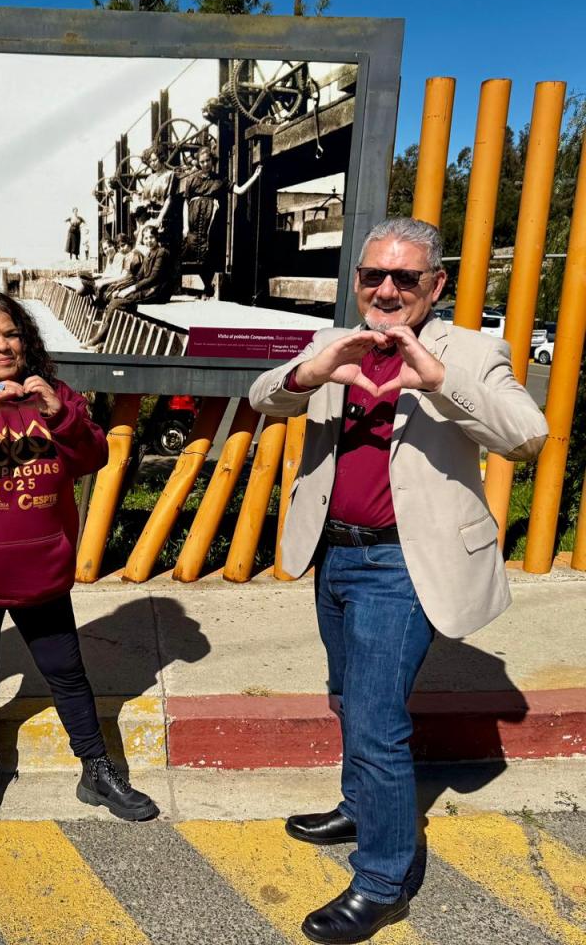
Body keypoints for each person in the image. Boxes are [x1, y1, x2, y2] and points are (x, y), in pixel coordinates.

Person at [248, 217, 548, 944]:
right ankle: (362, 805)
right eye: (372, 276)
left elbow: (526, 432)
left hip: (403, 563)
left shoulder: (471, 350)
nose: (385, 290)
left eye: (404, 278)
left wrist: (441, 382)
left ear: (434, 286)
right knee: (347, 696)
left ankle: (382, 880)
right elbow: (264, 397)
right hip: (335, 553)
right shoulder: (334, 342)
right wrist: (309, 374)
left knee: (378, 720)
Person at [0, 290, 158, 823]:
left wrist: (59, 413)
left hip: (39, 567)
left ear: (27, 340)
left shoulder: (55, 393)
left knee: (66, 670)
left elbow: (93, 455)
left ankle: (96, 769)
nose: (2, 346)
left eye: (11, 334)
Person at [178, 147, 256, 299]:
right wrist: (185, 226)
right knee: (192, 253)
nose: (205, 164)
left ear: (212, 161)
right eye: (202, 161)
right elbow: (185, 204)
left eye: (208, 161)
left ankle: (208, 288)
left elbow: (239, 190)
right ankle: (203, 286)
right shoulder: (192, 180)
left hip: (210, 224)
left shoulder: (220, 180)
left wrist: (255, 176)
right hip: (194, 224)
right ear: (198, 163)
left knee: (209, 254)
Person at [84, 225, 176, 350]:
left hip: (157, 292)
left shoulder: (162, 253)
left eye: (151, 237)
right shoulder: (149, 253)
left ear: (157, 237)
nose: (149, 241)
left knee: (117, 304)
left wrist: (131, 289)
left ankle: (99, 340)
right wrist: (121, 289)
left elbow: (153, 278)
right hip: (147, 289)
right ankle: (102, 342)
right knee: (116, 301)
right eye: (146, 238)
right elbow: (138, 277)